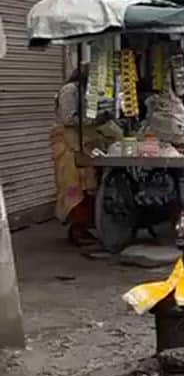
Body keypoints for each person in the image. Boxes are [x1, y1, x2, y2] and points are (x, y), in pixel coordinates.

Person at [50, 64, 118, 246]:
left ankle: (84, 227)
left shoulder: (84, 91)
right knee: (74, 186)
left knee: (88, 185)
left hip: (82, 142)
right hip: (68, 144)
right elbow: (68, 118)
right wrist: (93, 120)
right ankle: (77, 228)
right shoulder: (70, 90)